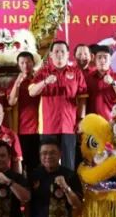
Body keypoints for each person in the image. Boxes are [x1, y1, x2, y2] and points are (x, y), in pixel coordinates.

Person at [30, 41, 87, 170]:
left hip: (69, 126)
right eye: (56, 51)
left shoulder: (76, 73)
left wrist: (81, 119)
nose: (59, 54)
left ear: (68, 54)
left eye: (62, 51)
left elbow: (82, 98)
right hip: (48, 126)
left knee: (69, 165)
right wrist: (45, 82)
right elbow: (32, 92)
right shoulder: (43, 72)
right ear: (51, 55)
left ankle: (68, 183)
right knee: (47, 163)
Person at [8, 50, 40, 175]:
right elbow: (11, 102)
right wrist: (17, 83)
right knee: (21, 165)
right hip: (21, 130)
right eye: (22, 63)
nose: (25, 65)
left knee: (36, 165)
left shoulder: (39, 80)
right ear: (18, 65)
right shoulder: (14, 82)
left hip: (39, 129)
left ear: (33, 63)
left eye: (28, 62)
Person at [84, 45, 116, 118]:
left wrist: (113, 83)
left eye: (105, 57)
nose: (102, 60)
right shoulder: (88, 78)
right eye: (99, 57)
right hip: (91, 121)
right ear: (95, 60)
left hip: (111, 120)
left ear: (110, 60)